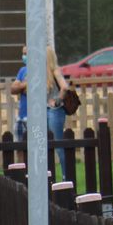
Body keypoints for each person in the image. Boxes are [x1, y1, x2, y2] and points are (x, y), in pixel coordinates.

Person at [44, 46, 75, 182]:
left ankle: (65, 176)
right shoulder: (41, 72)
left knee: (58, 143)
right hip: (44, 109)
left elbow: (64, 87)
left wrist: (57, 101)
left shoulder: (54, 71)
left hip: (55, 110)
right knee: (44, 143)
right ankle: (48, 175)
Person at [8, 45, 31, 142]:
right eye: (23, 54)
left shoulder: (41, 70)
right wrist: (26, 84)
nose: (24, 56)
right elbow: (13, 89)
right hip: (21, 116)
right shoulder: (22, 70)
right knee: (20, 146)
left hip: (33, 116)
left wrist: (21, 86)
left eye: (26, 54)